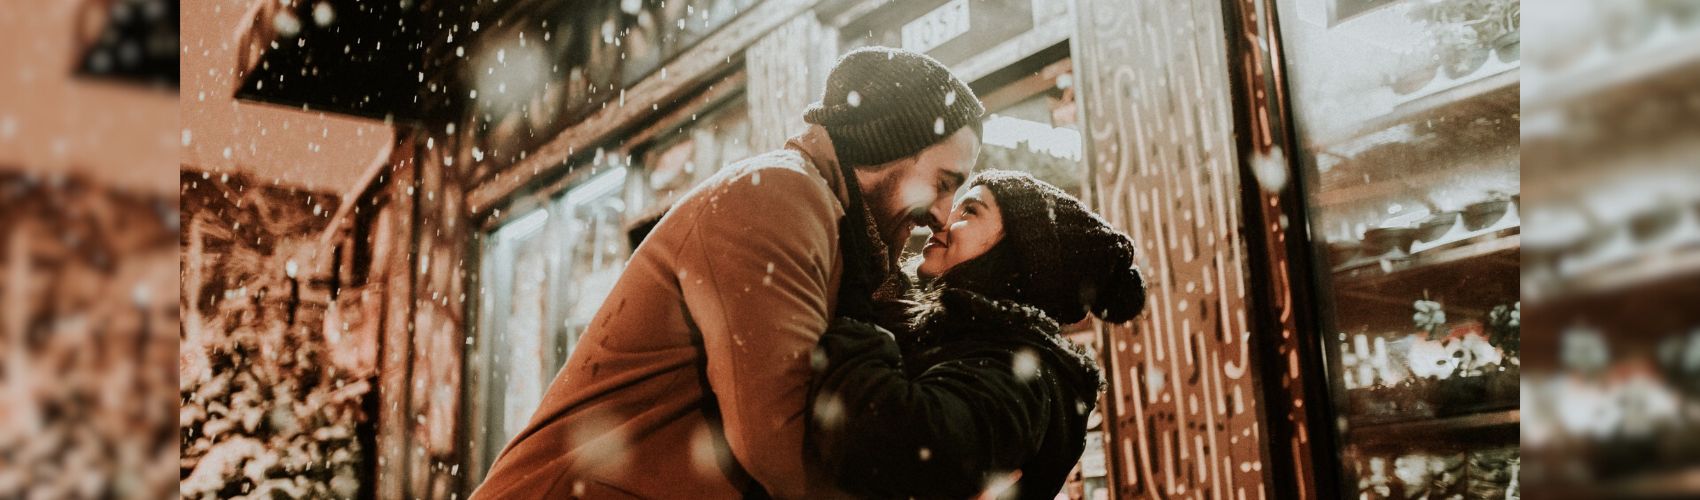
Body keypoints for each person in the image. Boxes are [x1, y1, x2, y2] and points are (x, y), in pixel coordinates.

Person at [471, 46, 985, 499]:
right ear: (889, 146)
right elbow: (779, 446)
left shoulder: (832, 226)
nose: (943, 213)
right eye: (943, 182)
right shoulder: (778, 198)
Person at [809, 170, 1147, 500]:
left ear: (1015, 257)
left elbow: (894, 441)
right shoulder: (963, 335)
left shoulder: (1023, 372)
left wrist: (856, 314)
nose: (941, 220)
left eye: (969, 210)